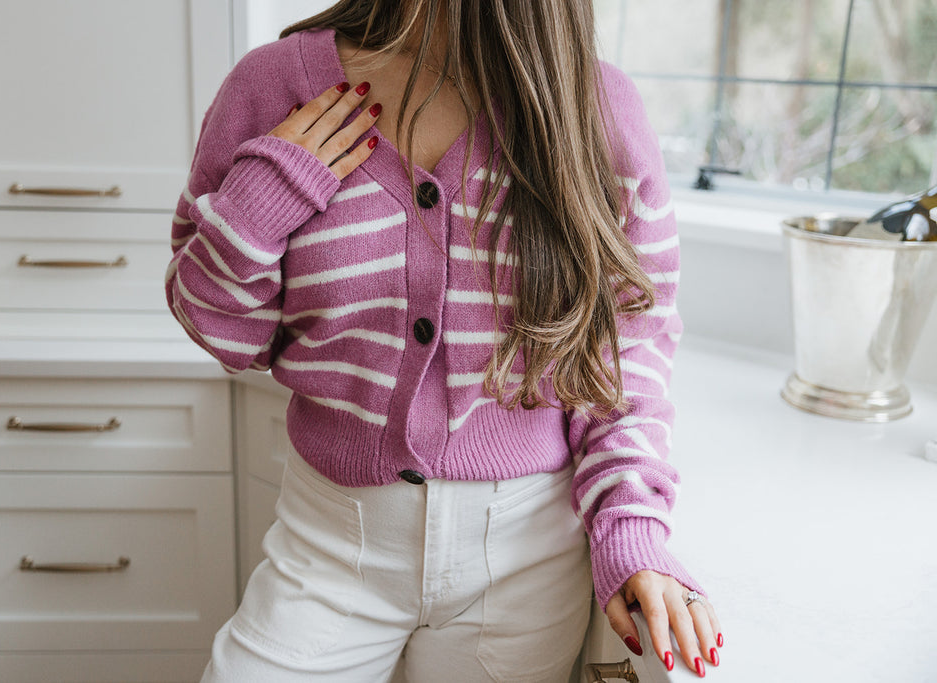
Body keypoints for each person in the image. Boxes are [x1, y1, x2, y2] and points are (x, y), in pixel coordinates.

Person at [166, 0, 722, 680]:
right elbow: (221, 330)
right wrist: (265, 193)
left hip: (525, 560)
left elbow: (628, 356)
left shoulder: (596, 108)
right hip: (333, 541)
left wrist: (632, 524)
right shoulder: (272, 86)